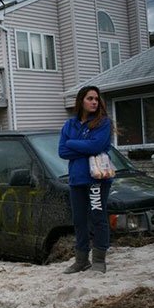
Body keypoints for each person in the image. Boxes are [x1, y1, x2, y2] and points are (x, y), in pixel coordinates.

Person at [58, 85, 113, 274]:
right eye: (90, 98)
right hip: (76, 180)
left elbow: (97, 145)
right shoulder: (69, 125)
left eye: (96, 99)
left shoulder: (103, 123)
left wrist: (72, 143)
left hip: (97, 179)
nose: (94, 102)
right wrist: (86, 147)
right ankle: (81, 260)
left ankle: (99, 260)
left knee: (98, 217)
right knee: (79, 220)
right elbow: (62, 151)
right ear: (81, 100)